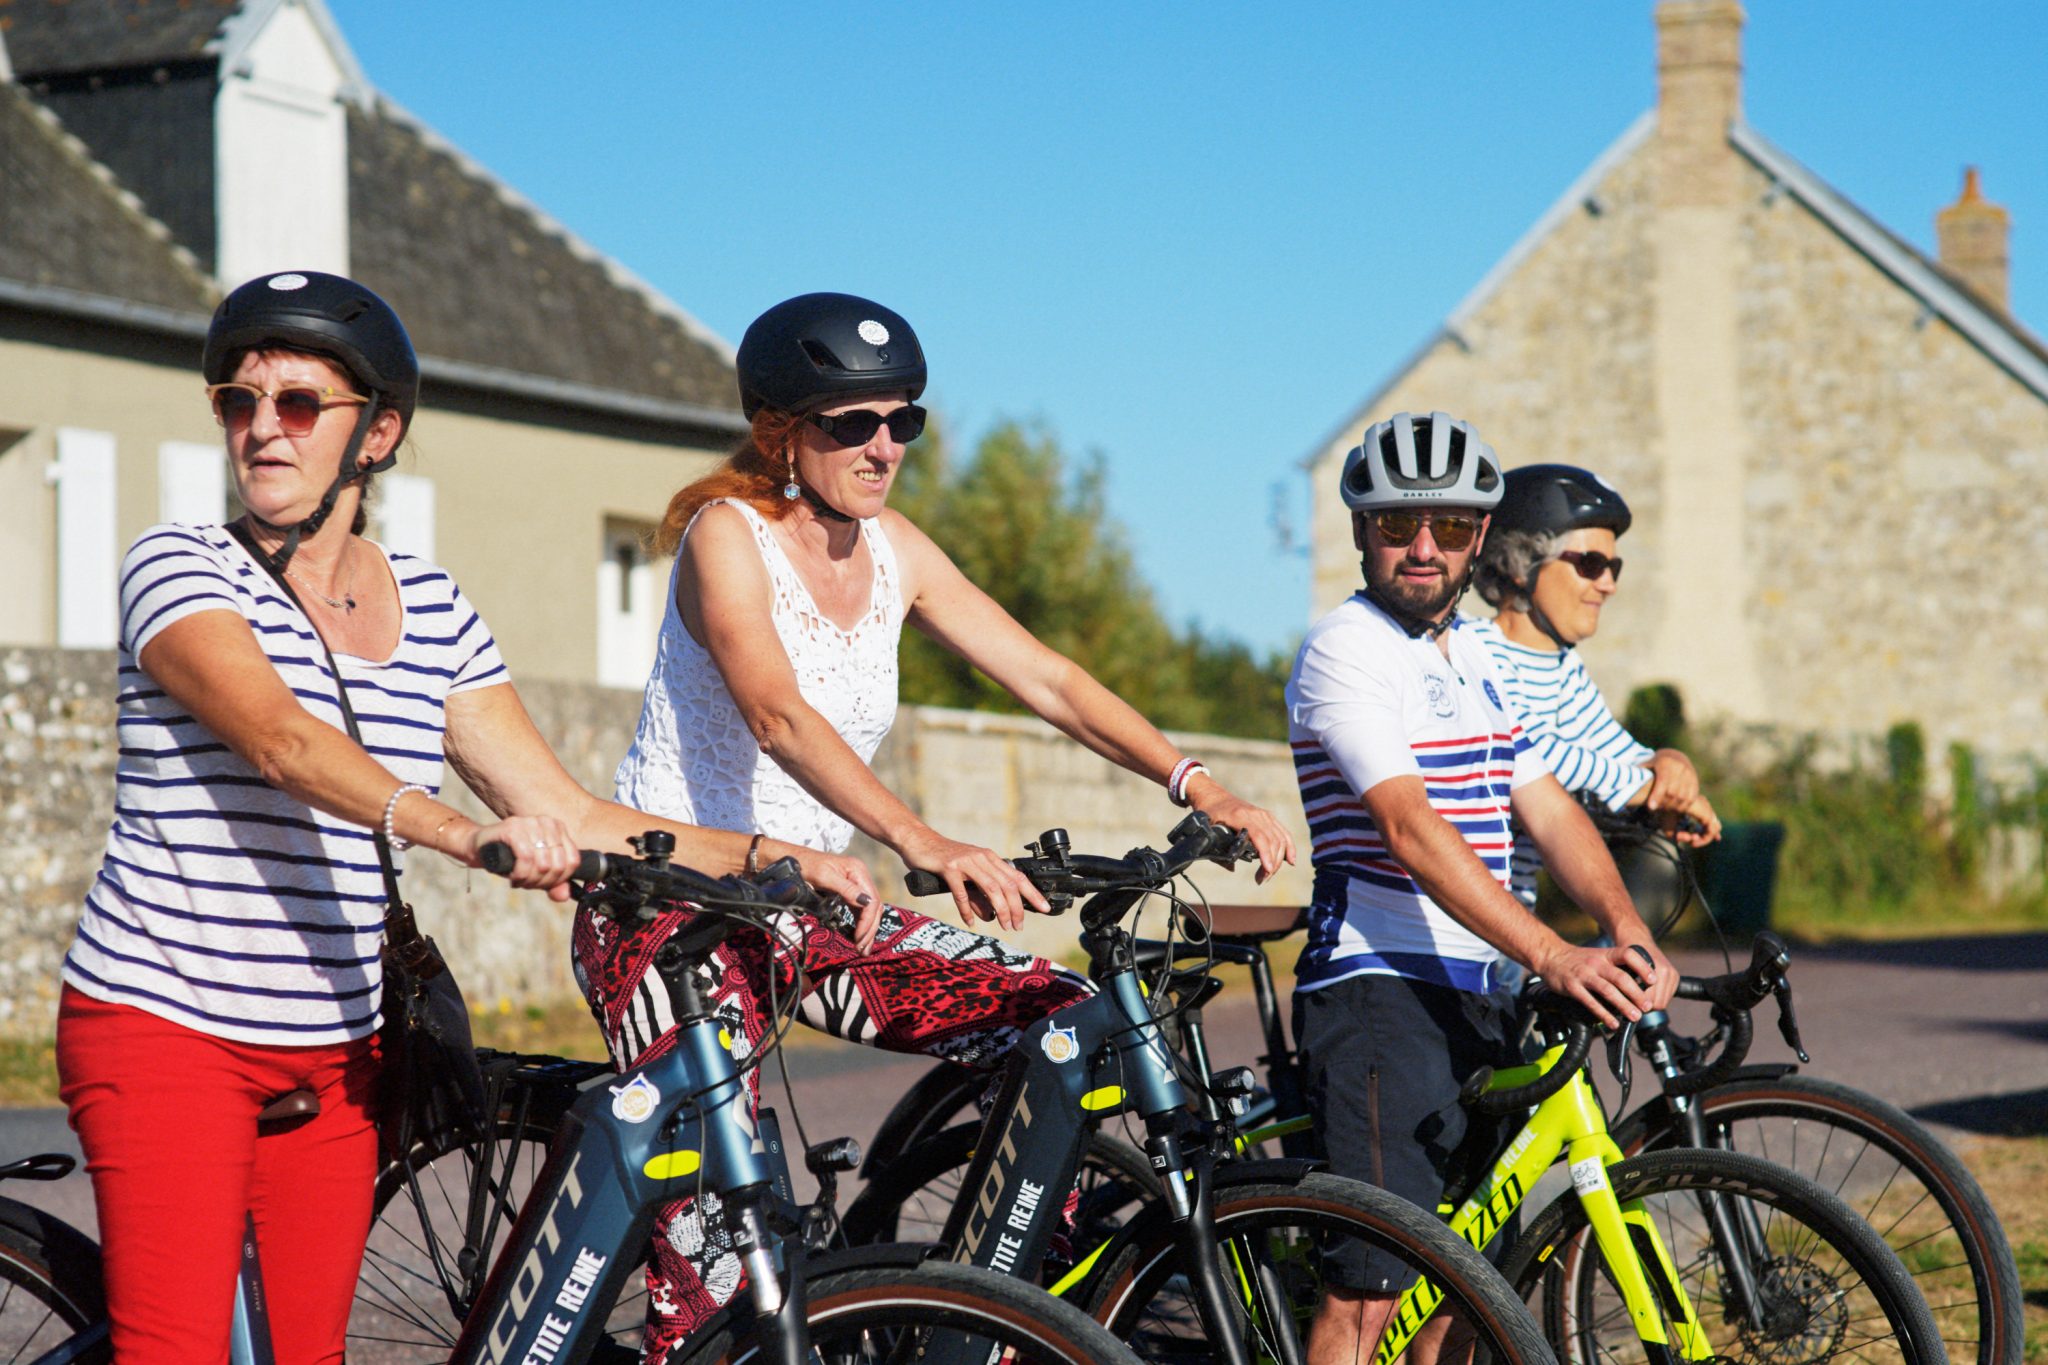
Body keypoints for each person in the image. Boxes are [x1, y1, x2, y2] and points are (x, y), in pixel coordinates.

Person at [55, 271, 873, 1365]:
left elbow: (567, 809)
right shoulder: (178, 566)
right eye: (237, 401)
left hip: (339, 1049)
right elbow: (280, 740)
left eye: (297, 403)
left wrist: (775, 856)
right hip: (167, 1025)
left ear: (377, 433)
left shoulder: (433, 608)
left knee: (308, 1354)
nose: (261, 428)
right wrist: (458, 832)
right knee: (176, 1350)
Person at [579, 291, 1297, 1356]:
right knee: (723, 1268)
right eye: (852, 424)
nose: (884, 447)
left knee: (1059, 1022)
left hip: (810, 912)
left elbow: (1048, 679)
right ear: (780, 431)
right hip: (673, 916)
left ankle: (972, 1315)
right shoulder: (728, 537)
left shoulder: (895, 550)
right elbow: (777, 715)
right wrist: (919, 840)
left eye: (902, 420)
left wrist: (1198, 784)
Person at [1282, 412, 1676, 1365]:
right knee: (1371, 1292)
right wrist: (1552, 950)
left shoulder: (1474, 656)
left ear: (1479, 538)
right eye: (1398, 524)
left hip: (1482, 990)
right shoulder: (1348, 648)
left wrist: (1624, 924)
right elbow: (1409, 827)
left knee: (1464, 1295)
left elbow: (1547, 807)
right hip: (1381, 990)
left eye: (1451, 526)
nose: (1424, 547)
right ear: (1361, 530)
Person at [1467, 463, 1721, 919]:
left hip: (1513, 914)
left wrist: (1670, 767)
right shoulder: (1475, 650)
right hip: (1455, 916)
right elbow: (1529, 752)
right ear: (1522, 563)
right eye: (1590, 564)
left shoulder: (1564, 667)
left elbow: (1613, 748)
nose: (1608, 584)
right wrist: (1647, 788)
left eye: (1613, 567)